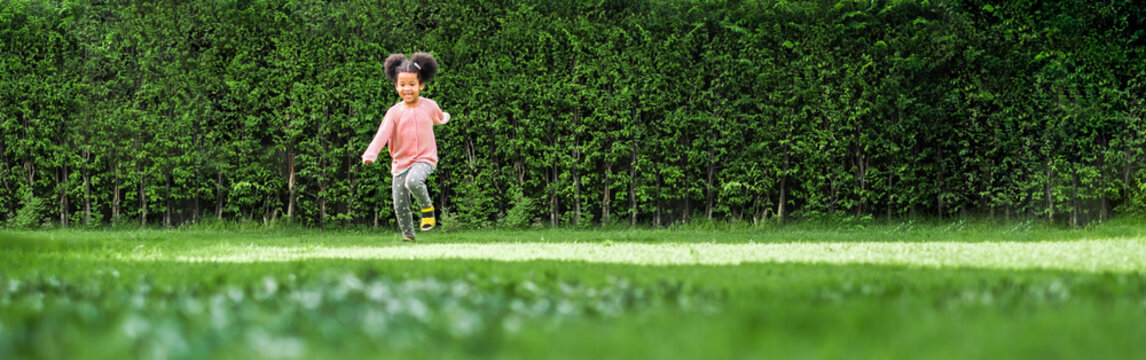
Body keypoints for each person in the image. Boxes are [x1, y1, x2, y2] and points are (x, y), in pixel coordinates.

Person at [361, 52, 450, 243]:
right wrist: (371, 153)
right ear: (396, 86)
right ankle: (408, 236)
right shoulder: (394, 113)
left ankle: (427, 210)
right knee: (399, 204)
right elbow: (382, 135)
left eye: (412, 84)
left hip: (425, 158)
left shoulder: (429, 106)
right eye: (402, 85)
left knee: (414, 181)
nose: (407, 89)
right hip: (400, 162)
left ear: (421, 85)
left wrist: (445, 117)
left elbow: (440, 118)